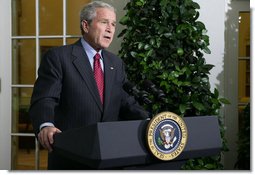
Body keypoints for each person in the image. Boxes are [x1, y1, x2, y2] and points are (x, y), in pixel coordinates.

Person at [29, 1, 149, 170]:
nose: (110, 29)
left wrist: (150, 122)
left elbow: (125, 101)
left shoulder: (115, 63)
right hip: (72, 155)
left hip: (109, 155)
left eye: (113, 24)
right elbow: (45, 98)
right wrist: (46, 125)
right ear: (86, 25)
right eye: (104, 22)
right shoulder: (59, 57)